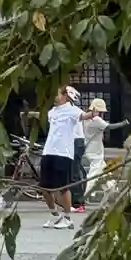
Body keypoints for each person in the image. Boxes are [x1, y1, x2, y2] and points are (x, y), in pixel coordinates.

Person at [72, 97, 129, 212]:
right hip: (96, 152)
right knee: (93, 176)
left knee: (105, 174)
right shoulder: (96, 119)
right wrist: (123, 123)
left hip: (91, 150)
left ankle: (114, 192)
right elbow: (109, 127)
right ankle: (81, 200)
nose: (102, 113)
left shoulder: (86, 119)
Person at [39, 86, 83, 229]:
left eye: (57, 94)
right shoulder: (52, 112)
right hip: (48, 151)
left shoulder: (74, 111)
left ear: (66, 96)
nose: (55, 97)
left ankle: (67, 217)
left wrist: (93, 113)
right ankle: (54, 215)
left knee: (63, 187)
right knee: (44, 188)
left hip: (64, 153)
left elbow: (85, 116)